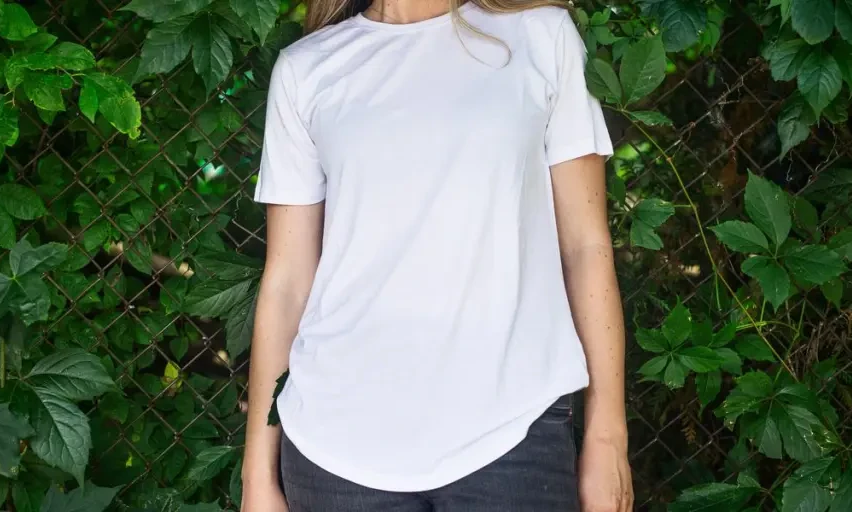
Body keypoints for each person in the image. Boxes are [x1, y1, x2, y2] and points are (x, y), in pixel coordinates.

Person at [241, 0, 632, 509]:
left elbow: (586, 247)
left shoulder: (540, 36)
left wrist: (608, 436)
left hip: (513, 434)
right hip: (334, 447)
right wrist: (257, 472)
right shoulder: (306, 68)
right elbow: (288, 281)